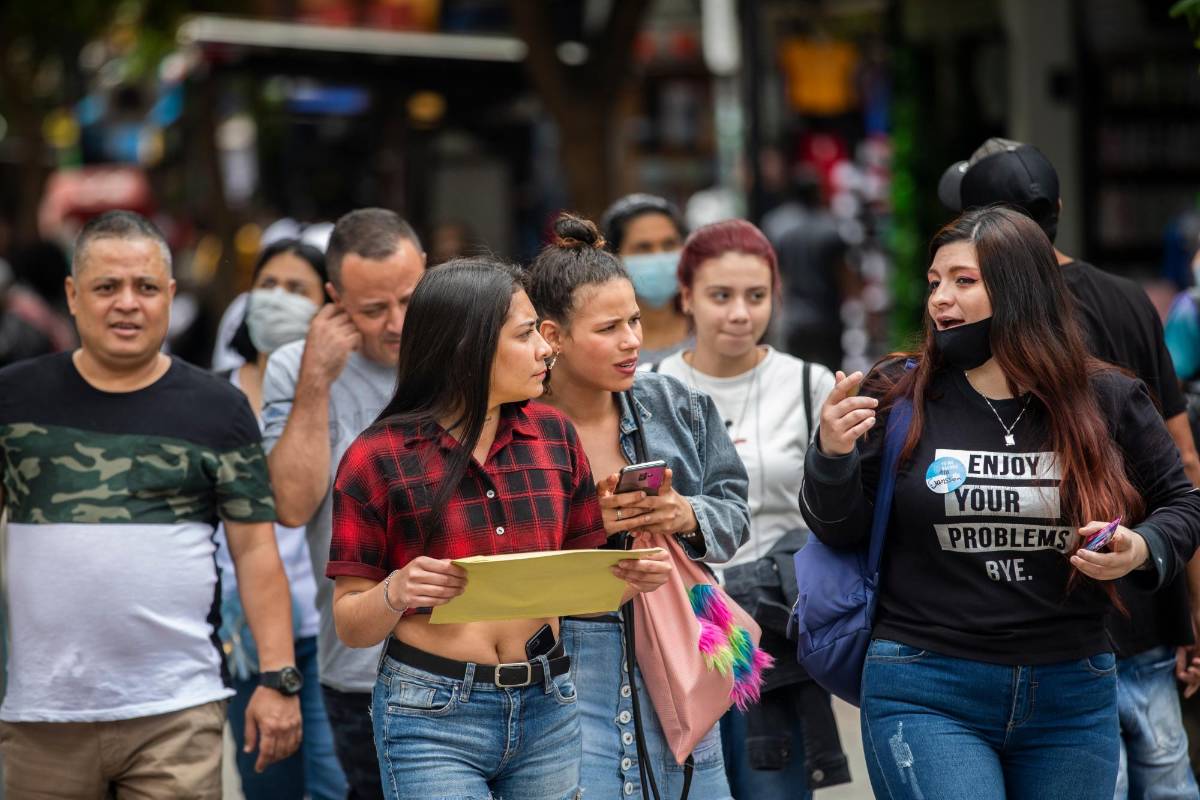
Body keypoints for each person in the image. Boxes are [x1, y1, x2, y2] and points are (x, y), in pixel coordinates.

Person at [801, 206, 1200, 798]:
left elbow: (1183, 504)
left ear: (1020, 290)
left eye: (964, 281)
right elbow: (839, 528)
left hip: (1073, 690)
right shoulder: (898, 394)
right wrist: (830, 454)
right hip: (925, 683)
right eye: (935, 282)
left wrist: (1141, 548)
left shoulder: (1107, 399)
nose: (941, 298)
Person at [328, 259, 671, 799]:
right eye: (526, 333)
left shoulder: (556, 436)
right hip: (430, 713)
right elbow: (351, 624)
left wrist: (628, 576)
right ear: (469, 345)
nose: (545, 348)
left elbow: (581, 589)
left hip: (550, 703)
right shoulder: (377, 457)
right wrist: (395, 592)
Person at [0, 211, 302, 797]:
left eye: (144, 287)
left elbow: (257, 554)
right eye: (106, 287)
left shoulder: (219, 409)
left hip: (178, 712)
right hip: (43, 717)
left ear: (169, 293)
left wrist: (278, 679)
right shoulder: (14, 399)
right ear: (72, 295)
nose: (126, 304)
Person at [940, 138, 1200, 799]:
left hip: (1062, 635)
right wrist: (1191, 610)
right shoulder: (1130, 300)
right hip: (1136, 616)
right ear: (1057, 209)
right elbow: (1185, 462)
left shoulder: (988, 329)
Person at [528, 213, 751, 799]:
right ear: (552, 337)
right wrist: (587, 528)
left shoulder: (676, 403)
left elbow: (734, 514)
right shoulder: (519, 427)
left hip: (683, 634)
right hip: (566, 664)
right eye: (609, 328)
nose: (632, 340)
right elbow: (497, 549)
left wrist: (686, 515)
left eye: (633, 321)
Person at [654, 219, 849, 797]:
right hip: (681, 621)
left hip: (775, 626)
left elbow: (837, 507)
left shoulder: (811, 385)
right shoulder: (648, 388)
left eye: (755, 296)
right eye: (721, 296)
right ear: (686, 296)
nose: (739, 313)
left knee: (769, 780)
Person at [262, 208, 425, 799]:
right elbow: (290, 504)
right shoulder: (297, 368)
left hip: (470, 657)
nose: (397, 325)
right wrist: (316, 381)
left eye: (409, 299)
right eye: (373, 309)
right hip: (358, 666)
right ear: (333, 298)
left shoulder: (461, 352)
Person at [214, 238, 348, 799]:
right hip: (243, 629)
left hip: (326, 627)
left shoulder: (342, 391)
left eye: (296, 289)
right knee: (265, 782)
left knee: (330, 782)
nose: (276, 299)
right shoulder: (213, 398)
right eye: (267, 285)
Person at [601, 193, 692, 363]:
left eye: (669, 244)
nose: (659, 257)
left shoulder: (708, 331)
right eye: (643, 248)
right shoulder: (603, 346)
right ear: (614, 257)